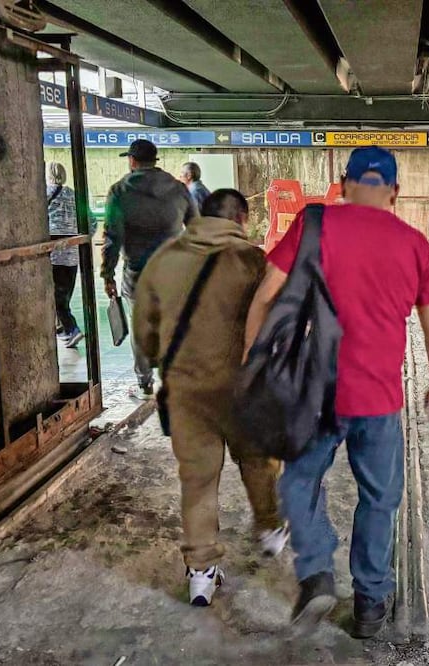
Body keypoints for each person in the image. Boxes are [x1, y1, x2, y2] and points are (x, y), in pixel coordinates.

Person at [243, 146, 429, 639]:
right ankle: (370, 605)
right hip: (379, 400)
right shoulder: (413, 243)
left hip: (317, 394)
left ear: (343, 184)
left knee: (297, 482)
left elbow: (266, 293)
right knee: (379, 499)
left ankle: (316, 568)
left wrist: (252, 364)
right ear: (394, 193)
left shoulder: (314, 226)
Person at [133, 189, 288, 607]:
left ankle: (201, 573)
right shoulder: (253, 261)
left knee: (198, 480)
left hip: (186, 390)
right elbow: (276, 322)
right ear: (241, 218)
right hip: (242, 388)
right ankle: (270, 528)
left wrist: (156, 362)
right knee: (258, 459)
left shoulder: (164, 259)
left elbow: (145, 328)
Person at [101, 139, 197, 398]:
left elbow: (112, 237)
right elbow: (196, 226)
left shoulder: (119, 191)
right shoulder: (178, 189)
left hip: (137, 273)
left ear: (132, 161)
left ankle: (144, 383)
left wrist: (107, 273)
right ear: (154, 161)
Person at [46, 162, 93, 348]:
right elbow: (91, 222)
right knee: (64, 296)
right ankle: (63, 330)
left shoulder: (44, 195)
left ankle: (71, 329)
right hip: (72, 255)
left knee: (56, 298)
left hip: (52, 255)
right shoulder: (74, 196)